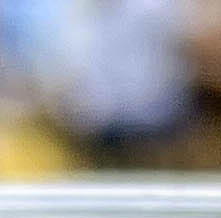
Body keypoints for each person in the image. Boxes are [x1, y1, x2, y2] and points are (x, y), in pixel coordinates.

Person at [54, 0, 192, 161]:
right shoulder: (78, 13)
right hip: (100, 129)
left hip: (158, 120)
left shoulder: (157, 8)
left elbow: (182, 60)